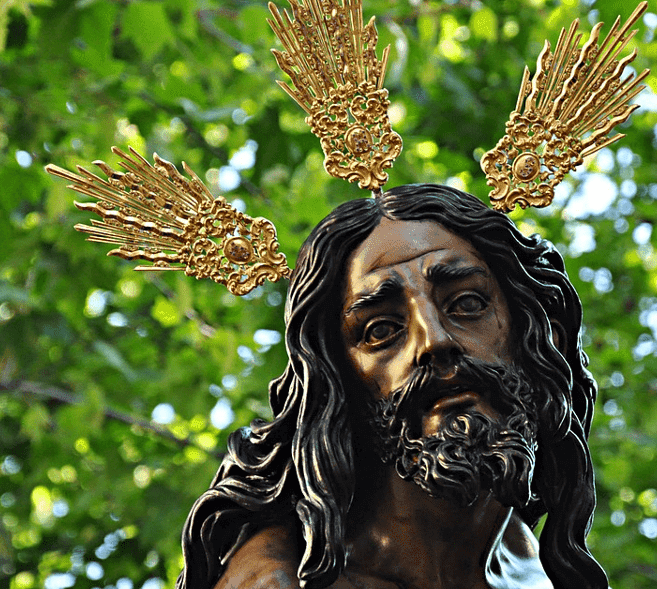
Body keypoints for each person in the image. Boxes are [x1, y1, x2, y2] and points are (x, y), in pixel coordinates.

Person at [177, 183, 606, 589]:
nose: (435, 341)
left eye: (468, 303)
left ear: (527, 330)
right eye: (381, 330)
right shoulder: (281, 579)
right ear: (340, 378)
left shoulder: (533, 565)